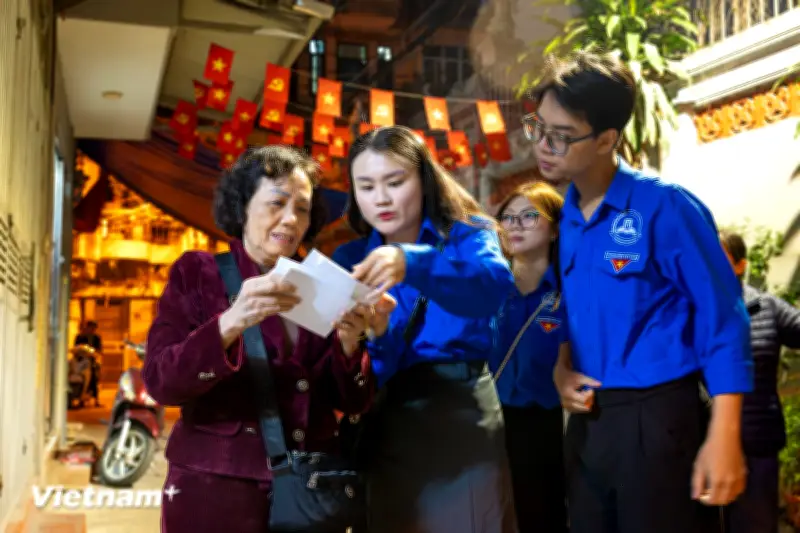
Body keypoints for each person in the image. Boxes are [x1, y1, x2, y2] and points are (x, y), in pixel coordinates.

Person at [530, 51, 753, 533]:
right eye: (539, 128)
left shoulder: (665, 207)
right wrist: (561, 368)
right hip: (591, 424)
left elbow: (724, 319)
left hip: (657, 420)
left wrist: (725, 434)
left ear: (606, 139)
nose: (543, 146)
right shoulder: (567, 218)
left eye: (561, 135)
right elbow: (571, 311)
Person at [143, 146, 382, 533]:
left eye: (302, 209)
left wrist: (350, 344)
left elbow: (353, 401)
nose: (290, 219)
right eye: (277, 203)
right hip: (214, 487)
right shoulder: (198, 273)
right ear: (242, 208)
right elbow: (160, 382)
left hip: (309, 491)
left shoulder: (323, 285)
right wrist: (230, 322)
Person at [332, 126, 517, 533]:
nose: (381, 198)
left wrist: (412, 262)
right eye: (366, 186)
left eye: (395, 182)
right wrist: (375, 335)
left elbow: (492, 289)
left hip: (460, 416)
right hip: (386, 420)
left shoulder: (468, 237)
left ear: (424, 180)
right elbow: (354, 368)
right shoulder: (350, 258)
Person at [490, 181, 568, 533]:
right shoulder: (488, 289)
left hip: (550, 430)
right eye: (508, 217)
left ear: (555, 229)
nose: (515, 225)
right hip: (490, 426)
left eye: (529, 216)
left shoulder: (571, 293)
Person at [720, 230, 800, 533]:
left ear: (740, 265)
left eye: (719, 257)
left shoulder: (766, 307)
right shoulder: (690, 310)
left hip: (757, 445)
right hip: (702, 444)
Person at [74, 320, 102, 406]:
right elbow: (76, 348)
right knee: (83, 380)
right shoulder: (80, 337)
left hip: (93, 361)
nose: (92, 330)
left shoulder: (96, 338)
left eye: (94, 328)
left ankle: (96, 399)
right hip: (82, 361)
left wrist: (94, 353)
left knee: (94, 380)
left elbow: (99, 349)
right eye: (91, 328)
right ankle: (81, 400)